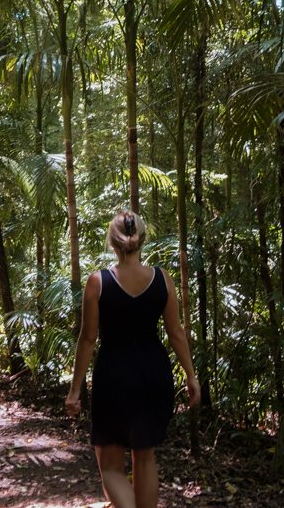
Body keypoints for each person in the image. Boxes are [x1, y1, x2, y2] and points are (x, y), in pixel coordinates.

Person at [65, 209, 201, 508]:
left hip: (114, 375)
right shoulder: (162, 279)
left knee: (110, 465)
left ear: (112, 243)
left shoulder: (97, 283)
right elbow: (176, 332)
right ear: (142, 241)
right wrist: (191, 376)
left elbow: (88, 339)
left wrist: (75, 390)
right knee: (145, 456)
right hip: (154, 373)